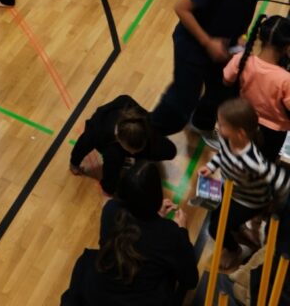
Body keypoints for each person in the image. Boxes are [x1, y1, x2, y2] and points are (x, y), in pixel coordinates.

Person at [150, 0, 277, 140]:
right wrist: (208, 42)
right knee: (183, 99)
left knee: (225, 89)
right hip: (193, 43)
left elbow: (247, 6)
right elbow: (181, 8)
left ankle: (201, 123)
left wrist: (241, 36)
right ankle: (148, 134)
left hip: (227, 44)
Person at [62, 161, 197, 305]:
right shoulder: (170, 234)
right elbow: (190, 280)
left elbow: (120, 241)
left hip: (96, 293)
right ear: (157, 197)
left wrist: (155, 217)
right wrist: (182, 231)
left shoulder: (111, 210)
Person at [200, 97, 290, 270]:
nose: (218, 126)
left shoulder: (253, 162)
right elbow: (223, 154)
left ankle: (234, 250)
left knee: (215, 228)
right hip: (230, 188)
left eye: (222, 124)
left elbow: (283, 181)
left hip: (248, 202)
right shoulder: (227, 139)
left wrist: (275, 206)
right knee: (216, 216)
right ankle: (238, 227)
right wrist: (211, 166)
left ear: (240, 133)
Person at [70, 96, 176, 196]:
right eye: (131, 151)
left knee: (168, 151)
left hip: (136, 137)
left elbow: (169, 148)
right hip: (110, 144)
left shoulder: (143, 117)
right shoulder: (100, 136)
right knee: (112, 175)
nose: (133, 153)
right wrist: (74, 163)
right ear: (119, 140)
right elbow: (83, 144)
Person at [224, 14, 290, 160]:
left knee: (236, 157)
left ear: (260, 38)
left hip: (241, 120)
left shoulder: (241, 59)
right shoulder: (286, 79)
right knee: (262, 164)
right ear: (287, 47)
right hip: (272, 134)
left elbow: (226, 80)